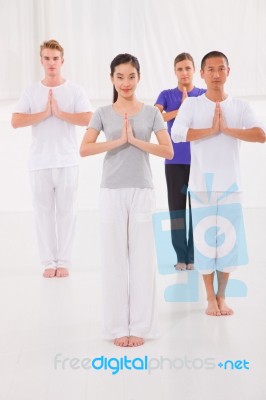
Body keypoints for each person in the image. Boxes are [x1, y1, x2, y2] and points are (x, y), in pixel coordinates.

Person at [80, 53, 173, 346]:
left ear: (139, 77)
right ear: (111, 79)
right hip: (112, 191)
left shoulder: (152, 113)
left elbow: (167, 151)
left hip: (142, 190)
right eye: (119, 77)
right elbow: (84, 149)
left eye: (131, 76)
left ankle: (142, 327)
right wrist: (119, 141)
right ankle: (118, 327)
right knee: (114, 259)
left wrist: (134, 141)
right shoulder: (103, 113)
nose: (126, 82)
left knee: (142, 260)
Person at [171, 51, 265, 316]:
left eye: (220, 69)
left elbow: (261, 134)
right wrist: (210, 131)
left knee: (228, 245)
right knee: (203, 245)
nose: (215, 74)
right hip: (201, 187)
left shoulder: (240, 106)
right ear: (201, 74)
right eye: (210, 69)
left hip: (231, 187)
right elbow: (177, 134)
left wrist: (227, 130)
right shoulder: (192, 104)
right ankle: (209, 299)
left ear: (228, 72)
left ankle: (222, 296)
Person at [11, 39, 93, 278]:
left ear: (62, 61)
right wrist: (45, 113)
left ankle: (64, 261)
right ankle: (48, 262)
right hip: (39, 162)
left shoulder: (75, 90)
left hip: (67, 160)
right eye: (47, 58)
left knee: (67, 212)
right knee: (43, 213)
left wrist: (60, 113)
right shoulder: (31, 91)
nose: (51, 63)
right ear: (41, 61)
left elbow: (88, 118)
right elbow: (16, 121)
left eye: (55, 58)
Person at [155, 53, 206, 271]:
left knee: (197, 209)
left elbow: (208, 118)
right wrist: (181, 109)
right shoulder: (166, 95)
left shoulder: (203, 94)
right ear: (174, 71)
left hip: (199, 161)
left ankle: (193, 256)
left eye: (187, 68)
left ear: (194, 70)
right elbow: (155, 118)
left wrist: (191, 106)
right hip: (174, 160)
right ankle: (181, 257)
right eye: (180, 69)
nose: (184, 73)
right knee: (177, 210)